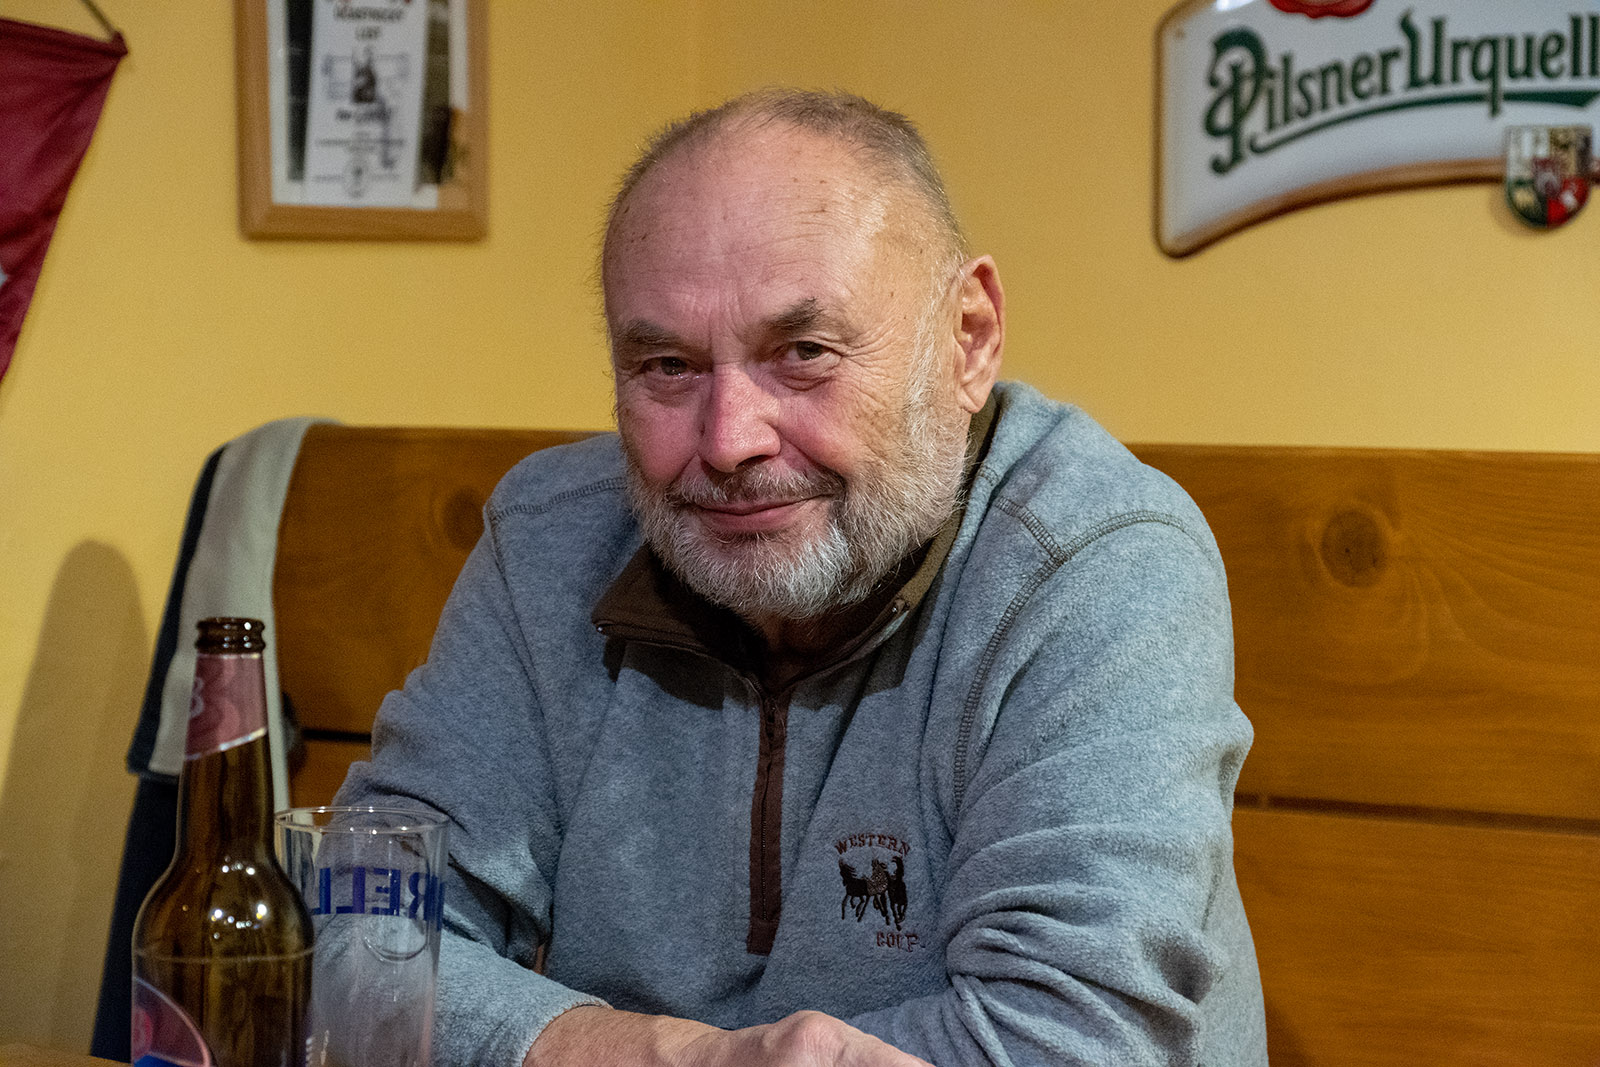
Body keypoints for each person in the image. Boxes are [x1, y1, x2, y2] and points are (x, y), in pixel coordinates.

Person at [339, 88, 1268, 1067]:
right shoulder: (549, 541)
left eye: (804, 353)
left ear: (968, 338)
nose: (729, 439)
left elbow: (1066, 1041)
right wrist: (669, 1057)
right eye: (667, 366)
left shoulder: (1097, 561)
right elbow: (359, 932)